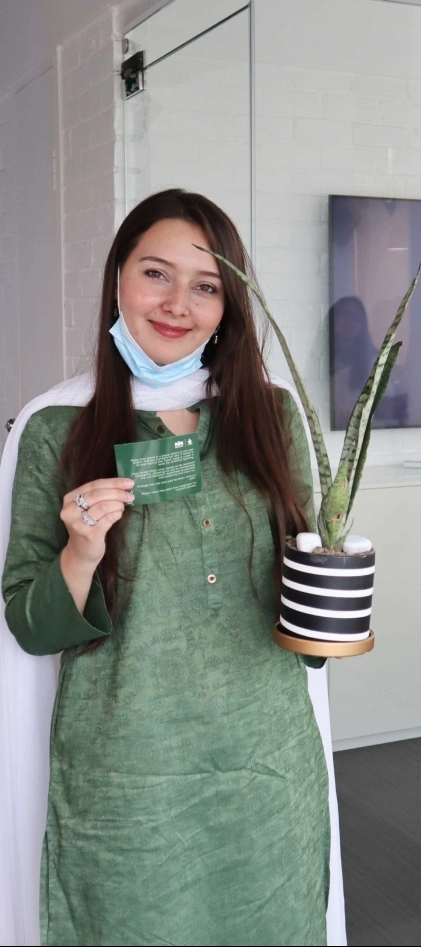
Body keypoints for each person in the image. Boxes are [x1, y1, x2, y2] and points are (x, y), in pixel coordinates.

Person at [1, 189, 345, 947]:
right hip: (128, 781)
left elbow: (309, 617)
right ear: (116, 277)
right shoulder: (54, 424)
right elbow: (27, 624)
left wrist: (337, 594)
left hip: (265, 774)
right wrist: (81, 552)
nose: (177, 304)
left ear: (229, 305)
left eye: (206, 285)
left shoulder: (272, 415)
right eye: (155, 273)